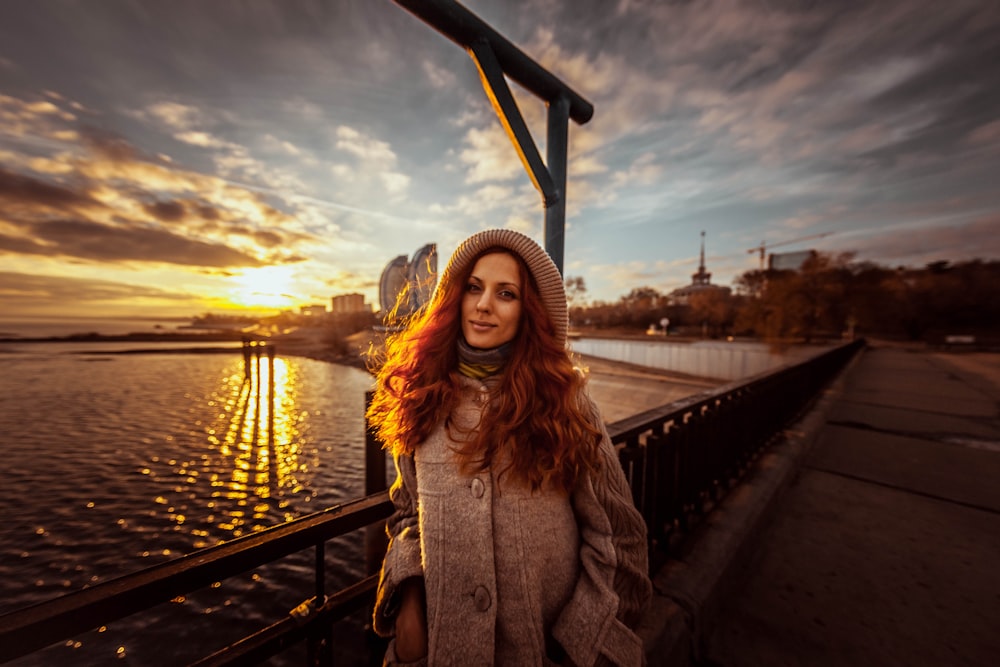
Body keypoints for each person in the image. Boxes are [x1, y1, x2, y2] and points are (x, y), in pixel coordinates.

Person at [367, 229, 652, 666]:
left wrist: (575, 646)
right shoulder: (420, 397)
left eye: (506, 293)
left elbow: (619, 539)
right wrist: (408, 606)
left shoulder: (564, 403)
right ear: (455, 299)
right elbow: (407, 512)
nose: (483, 305)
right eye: (474, 289)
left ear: (529, 311)